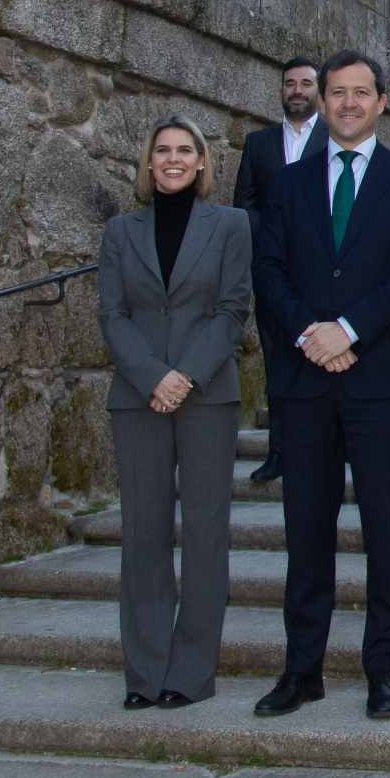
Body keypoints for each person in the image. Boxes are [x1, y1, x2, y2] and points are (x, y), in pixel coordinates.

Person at [249, 50, 390, 722]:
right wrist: (310, 333)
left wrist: (349, 330)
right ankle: (302, 668)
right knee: (306, 531)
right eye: (338, 93)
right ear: (321, 103)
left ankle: (384, 668)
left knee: (388, 530)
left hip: (379, 380)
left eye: (362, 93)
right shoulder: (288, 183)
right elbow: (267, 269)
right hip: (304, 383)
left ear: (381, 102)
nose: (349, 103)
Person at [97, 116, 252, 710]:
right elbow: (113, 316)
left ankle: (190, 673)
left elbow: (232, 308)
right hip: (137, 397)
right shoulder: (120, 232)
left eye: (185, 150)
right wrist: (151, 376)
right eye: (162, 150)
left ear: (202, 162)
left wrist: (183, 375)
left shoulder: (231, 224)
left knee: (206, 535)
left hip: (206, 394)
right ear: (148, 162)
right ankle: (144, 672)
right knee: (142, 534)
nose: (173, 159)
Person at [233, 57, 327, 482]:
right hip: (272, 272)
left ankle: (325, 449)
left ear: (318, 93)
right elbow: (243, 205)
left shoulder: (334, 137)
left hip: (321, 270)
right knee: (276, 363)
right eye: (290, 84)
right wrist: (271, 235)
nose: (297, 91)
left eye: (305, 84)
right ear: (281, 92)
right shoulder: (258, 143)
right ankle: (279, 452)